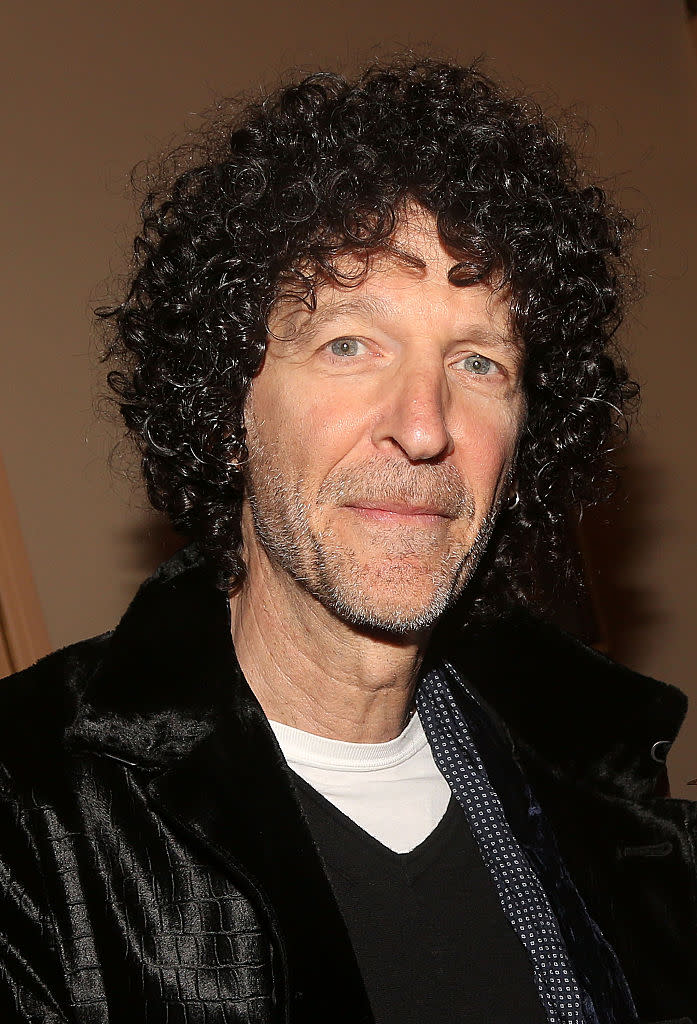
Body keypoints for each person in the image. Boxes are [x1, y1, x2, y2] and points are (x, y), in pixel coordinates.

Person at [0, 57, 693, 1024]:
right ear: (223, 401)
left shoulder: (606, 803)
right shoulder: (28, 822)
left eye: (479, 359)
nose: (423, 424)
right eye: (348, 345)